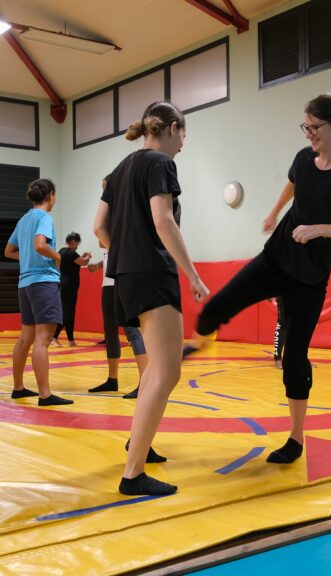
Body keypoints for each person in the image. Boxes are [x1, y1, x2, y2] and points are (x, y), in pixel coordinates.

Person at [184, 93, 331, 464]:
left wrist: (321, 229)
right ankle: (200, 340)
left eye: (315, 127)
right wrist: (274, 212)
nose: (309, 134)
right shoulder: (303, 159)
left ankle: (295, 438)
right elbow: (293, 184)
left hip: (309, 279)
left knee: (294, 357)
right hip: (276, 257)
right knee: (216, 306)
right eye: (305, 126)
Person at [93, 101, 210, 496]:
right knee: (166, 371)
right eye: (184, 135)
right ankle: (133, 473)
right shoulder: (160, 164)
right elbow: (163, 219)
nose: (183, 144)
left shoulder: (120, 169)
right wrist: (192, 274)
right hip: (151, 273)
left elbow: (98, 227)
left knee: (155, 370)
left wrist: (124, 255)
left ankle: (137, 445)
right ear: (172, 128)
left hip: (125, 276)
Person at [4, 178, 73, 406]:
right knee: (43, 339)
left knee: (27, 337)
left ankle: (18, 388)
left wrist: (27, 259)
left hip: (25, 284)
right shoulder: (44, 217)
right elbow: (39, 244)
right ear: (51, 195)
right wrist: (57, 256)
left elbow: (8, 251)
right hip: (43, 282)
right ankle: (45, 394)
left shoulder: (24, 219)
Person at [87, 240, 149, 399]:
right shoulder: (114, 224)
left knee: (132, 330)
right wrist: (100, 265)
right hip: (107, 285)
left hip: (123, 281)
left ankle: (145, 382)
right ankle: (112, 379)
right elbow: (107, 249)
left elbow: (105, 241)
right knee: (110, 331)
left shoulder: (124, 224)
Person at [52, 232, 92, 347]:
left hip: (64, 283)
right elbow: (83, 262)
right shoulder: (70, 252)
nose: (77, 246)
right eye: (77, 243)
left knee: (70, 312)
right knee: (67, 312)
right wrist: (88, 256)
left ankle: (71, 340)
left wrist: (82, 255)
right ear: (73, 242)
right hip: (69, 286)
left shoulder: (62, 251)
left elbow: (71, 261)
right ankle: (54, 337)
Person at [272, 296, 287, 369]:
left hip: (300, 289)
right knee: (282, 323)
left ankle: (300, 359)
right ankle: (277, 358)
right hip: (284, 290)